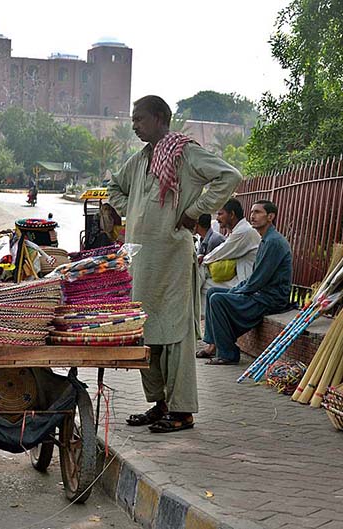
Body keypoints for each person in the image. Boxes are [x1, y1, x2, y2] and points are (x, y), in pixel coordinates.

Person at [108, 95, 241, 433]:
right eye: (133, 120)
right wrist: (131, 206)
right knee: (145, 332)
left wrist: (194, 211)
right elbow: (114, 188)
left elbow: (228, 176)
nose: (135, 125)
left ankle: (182, 411)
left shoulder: (185, 154)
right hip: (141, 262)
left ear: (160, 117)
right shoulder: (140, 160)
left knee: (176, 334)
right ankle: (160, 403)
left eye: (140, 119)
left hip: (172, 260)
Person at [200, 201, 293, 365]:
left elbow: (259, 279)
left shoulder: (274, 242)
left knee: (218, 300)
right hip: (260, 293)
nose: (252, 216)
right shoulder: (266, 239)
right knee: (212, 292)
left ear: (270, 217)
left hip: (270, 299)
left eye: (258, 212)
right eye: (252, 212)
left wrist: (236, 292)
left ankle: (228, 353)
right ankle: (213, 344)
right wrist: (237, 290)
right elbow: (255, 278)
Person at [196, 198, 261, 319]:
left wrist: (201, 259)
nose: (218, 218)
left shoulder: (244, 232)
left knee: (200, 272)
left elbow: (220, 253)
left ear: (231, 215)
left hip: (247, 283)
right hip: (239, 278)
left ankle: (193, 313)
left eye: (220, 214)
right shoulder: (236, 231)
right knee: (202, 282)